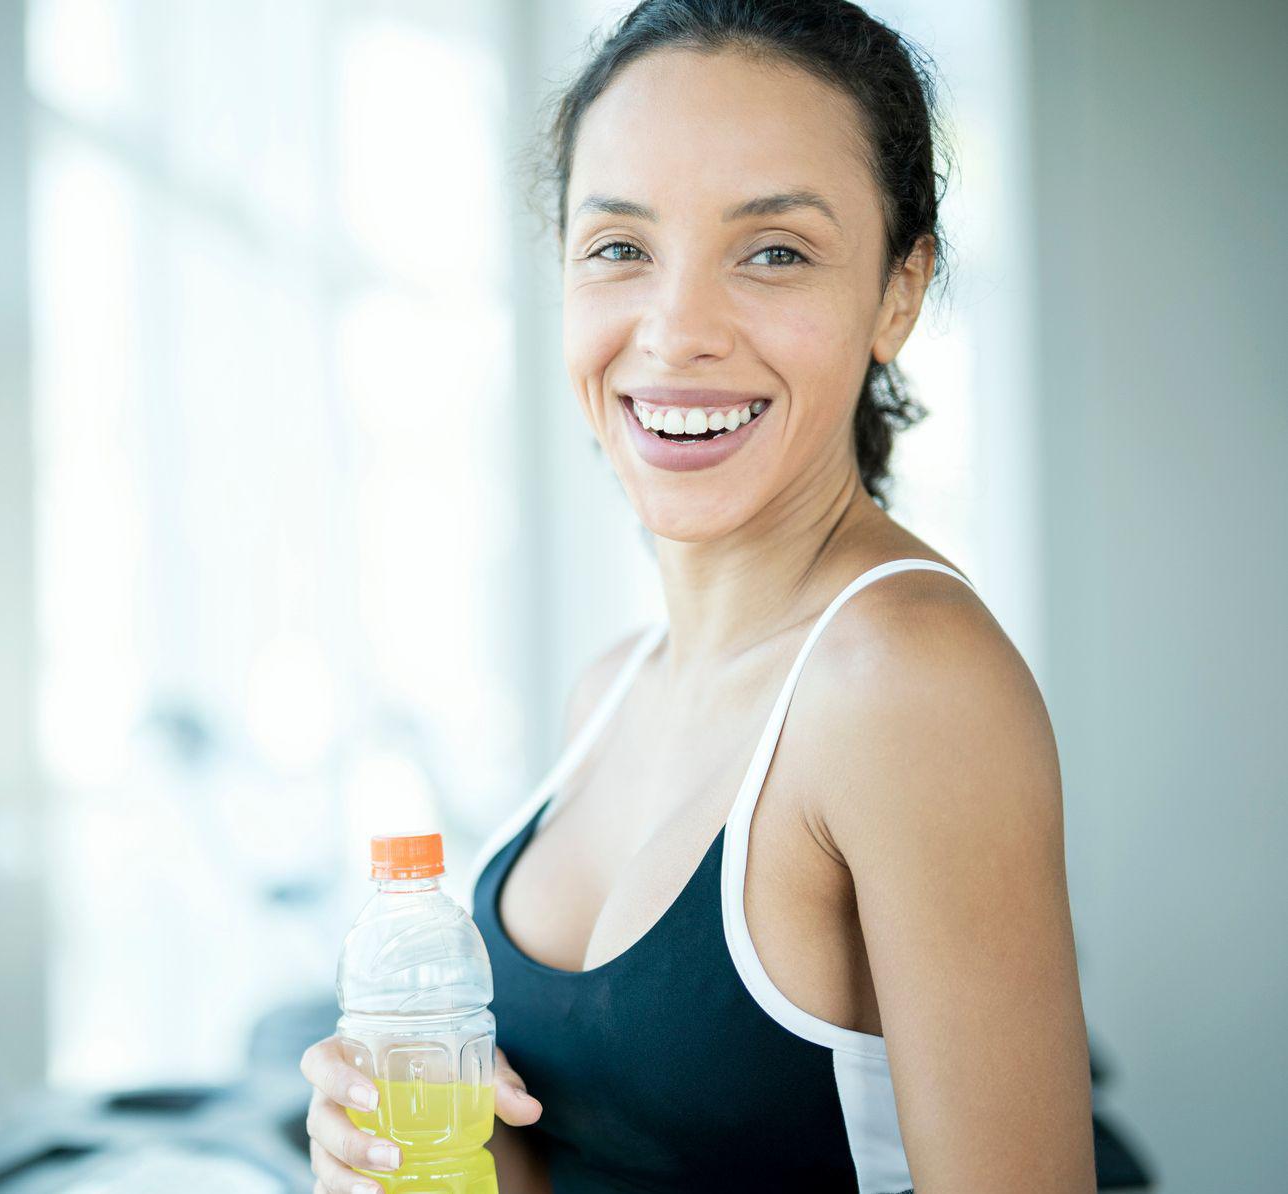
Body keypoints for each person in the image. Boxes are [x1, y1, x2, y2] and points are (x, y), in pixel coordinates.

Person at [301, 1, 1097, 1190]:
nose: (676, 332)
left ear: (897, 293)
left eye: (773, 250)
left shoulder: (903, 680)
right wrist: (401, 1145)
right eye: (620, 248)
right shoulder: (611, 687)